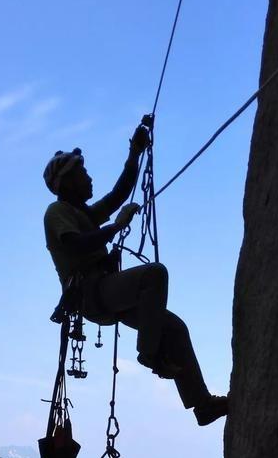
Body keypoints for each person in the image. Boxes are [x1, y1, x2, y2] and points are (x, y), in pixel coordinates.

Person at [43, 120, 228, 426]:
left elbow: (119, 193)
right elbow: (75, 245)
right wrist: (115, 226)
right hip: (93, 291)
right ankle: (149, 353)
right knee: (154, 274)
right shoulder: (57, 212)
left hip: (105, 291)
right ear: (67, 183)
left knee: (175, 327)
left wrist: (135, 151)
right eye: (83, 174)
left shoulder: (83, 213)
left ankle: (202, 404)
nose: (89, 179)